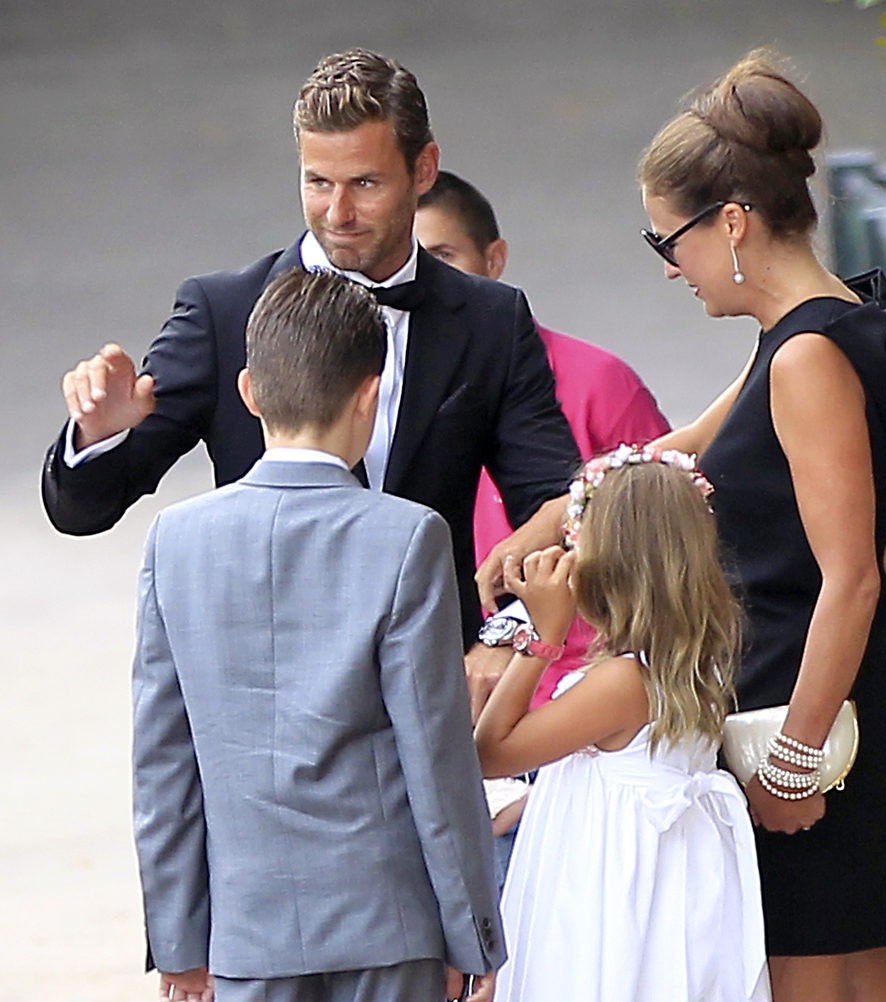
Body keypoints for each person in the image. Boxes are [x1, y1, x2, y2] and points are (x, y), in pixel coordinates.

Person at [638, 51, 886, 1002]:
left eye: (664, 243)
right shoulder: (846, 325)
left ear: (727, 223)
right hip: (843, 717)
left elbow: (851, 574)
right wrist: (558, 515)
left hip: (808, 730)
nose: (667, 269)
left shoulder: (808, 354)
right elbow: (679, 453)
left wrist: (790, 764)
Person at [41, 48, 578, 665]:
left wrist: (504, 637)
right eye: (318, 183)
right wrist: (97, 437)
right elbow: (81, 513)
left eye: (365, 184)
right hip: (262, 681)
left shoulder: (490, 320)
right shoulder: (224, 312)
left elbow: (553, 505)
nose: (338, 214)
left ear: (424, 168)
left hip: (432, 678)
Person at [132, 267, 504, 1002]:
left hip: (249, 915)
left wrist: (177, 931)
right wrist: (471, 928)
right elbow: (436, 753)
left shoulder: (175, 541)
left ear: (247, 390)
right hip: (390, 917)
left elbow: (163, 760)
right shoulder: (407, 537)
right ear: (372, 396)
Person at [462, 450, 780, 1002]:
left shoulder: (621, 681)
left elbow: (487, 751)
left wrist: (541, 635)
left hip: (613, 905)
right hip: (670, 889)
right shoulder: (687, 661)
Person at [416, 170, 670, 882]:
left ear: (494, 262)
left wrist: (511, 639)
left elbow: (667, 553)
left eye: (441, 260)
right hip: (444, 721)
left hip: (581, 721)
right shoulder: (376, 393)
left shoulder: (597, 383)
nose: (421, 286)